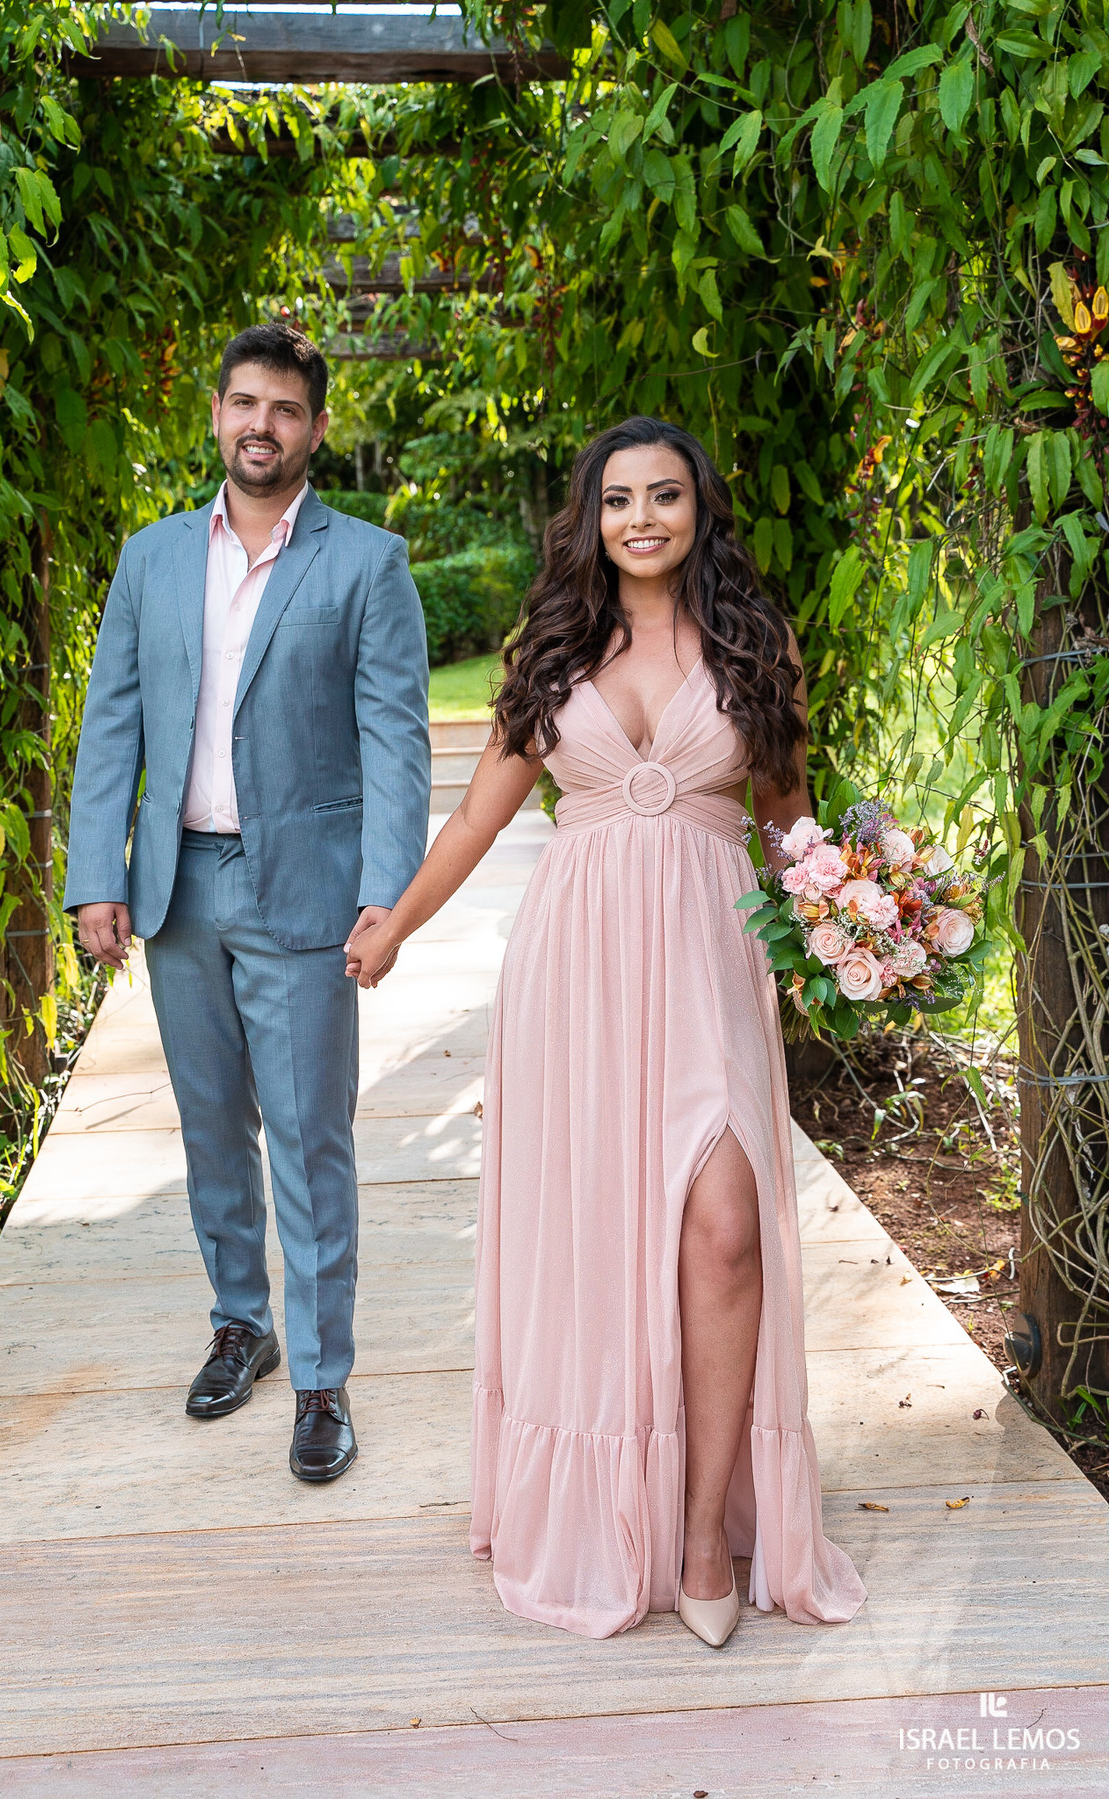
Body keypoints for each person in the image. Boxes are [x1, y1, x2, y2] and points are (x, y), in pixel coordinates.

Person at [345, 416, 866, 1642]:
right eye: (619, 498)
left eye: (666, 495)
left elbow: (790, 817)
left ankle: (699, 1534)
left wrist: (863, 929)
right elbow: (477, 818)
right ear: (589, 516)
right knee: (600, 1246)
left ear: (700, 508)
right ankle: (599, 1505)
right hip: (575, 975)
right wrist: (397, 923)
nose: (642, 517)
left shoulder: (753, 639)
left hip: (710, 955)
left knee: (727, 1227)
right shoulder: (554, 645)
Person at [65, 322, 431, 1483]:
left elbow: (398, 743)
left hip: (309, 896)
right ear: (216, 414)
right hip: (178, 888)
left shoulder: (367, 563)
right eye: (242, 404)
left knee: (311, 1139)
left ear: (317, 428)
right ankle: (243, 1323)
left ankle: (322, 1378)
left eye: (283, 408)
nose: (259, 425)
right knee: (212, 1124)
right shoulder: (153, 557)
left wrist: (389, 898)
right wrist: (96, 877)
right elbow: (110, 726)